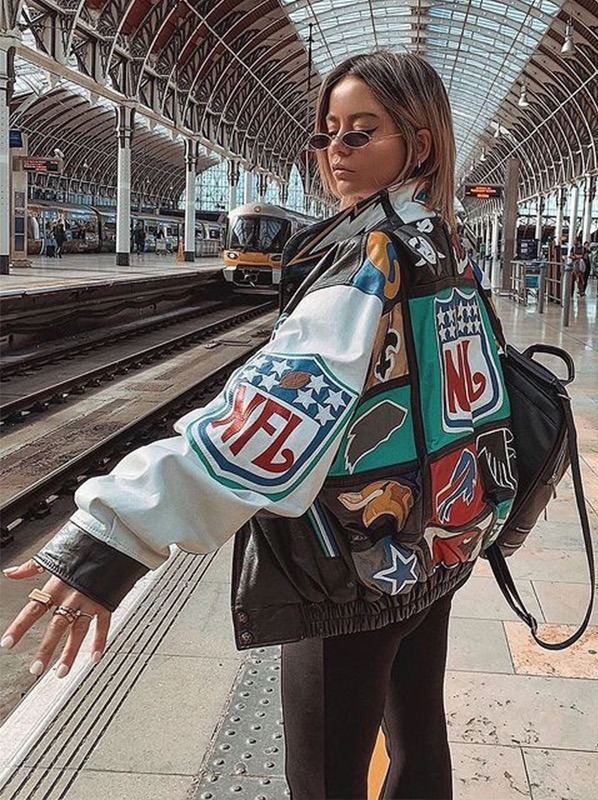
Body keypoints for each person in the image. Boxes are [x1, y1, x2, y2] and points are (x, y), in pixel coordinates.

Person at [1, 51, 516, 800]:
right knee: (420, 749)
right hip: (436, 542)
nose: (334, 151)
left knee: (324, 781)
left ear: (420, 143)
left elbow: (270, 419)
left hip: (348, 565)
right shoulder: (445, 242)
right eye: (327, 133)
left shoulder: (369, 256)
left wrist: (115, 537)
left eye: (359, 132)